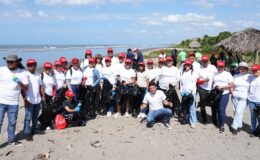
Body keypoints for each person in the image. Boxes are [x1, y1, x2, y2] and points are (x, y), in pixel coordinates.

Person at [0, 55, 29, 145]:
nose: (9, 63)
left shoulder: (22, 73)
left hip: (13, 103)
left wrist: (19, 82)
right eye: (8, 62)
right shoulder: (2, 70)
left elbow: (26, 88)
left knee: (12, 123)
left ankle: (11, 140)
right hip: (1, 101)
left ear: (17, 62)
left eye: (12, 62)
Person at [22, 59, 44, 141]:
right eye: (30, 65)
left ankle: (34, 130)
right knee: (28, 117)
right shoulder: (25, 75)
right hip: (29, 100)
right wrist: (25, 99)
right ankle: (27, 133)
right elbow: (22, 89)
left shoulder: (38, 75)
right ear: (27, 66)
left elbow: (41, 87)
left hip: (37, 100)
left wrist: (43, 96)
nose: (32, 66)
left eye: (34, 64)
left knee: (35, 117)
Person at [213, 61, 233, 133]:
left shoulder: (227, 74)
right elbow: (213, 82)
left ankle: (222, 125)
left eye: (222, 67)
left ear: (224, 67)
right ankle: (220, 121)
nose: (220, 68)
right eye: (219, 66)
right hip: (216, 94)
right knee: (218, 109)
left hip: (224, 93)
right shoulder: (215, 74)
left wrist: (222, 87)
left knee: (222, 109)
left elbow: (231, 85)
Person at [230, 62, 250, 135]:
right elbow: (231, 84)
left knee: (238, 111)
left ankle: (234, 127)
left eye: (244, 68)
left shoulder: (250, 76)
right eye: (240, 68)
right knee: (236, 111)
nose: (242, 70)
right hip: (235, 95)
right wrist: (231, 90)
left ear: (247, 69)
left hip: (244, 97)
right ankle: (240, 125)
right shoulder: (235, 76)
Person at [197, 55, 217, 124]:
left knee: (213, 104)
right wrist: (203, 80)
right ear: (201, 61)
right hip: (202, 88)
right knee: (202, 104)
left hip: (212, 88)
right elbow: (196, 81)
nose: (205, 62)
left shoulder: (213, 67)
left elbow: (217, 75)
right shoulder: (199, 68)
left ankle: (214, 119)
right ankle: (204, 118)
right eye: (203, 61)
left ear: (208, 61)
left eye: (206, 61)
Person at [180, 59, 198, 128]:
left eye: (189, 65)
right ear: (184, 65)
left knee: (191, 107)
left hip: (191, 93)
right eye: (186, 65)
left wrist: (189, 91)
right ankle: (186, 119)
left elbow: (194, 83)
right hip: (184, 93)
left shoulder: (193, 72)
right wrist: (181, 91)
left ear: (191, 66)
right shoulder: (183, 72)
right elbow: (181, 83)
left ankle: (193, 122)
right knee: (184, 106)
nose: (187, 66)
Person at [247, 64, 260, 137]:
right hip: (251, 100)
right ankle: (253, 130)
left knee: (259, 117)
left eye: (256, 70)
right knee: (253, 116)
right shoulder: (250, 77)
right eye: (253, 70)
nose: (254, 72)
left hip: (259, 101)